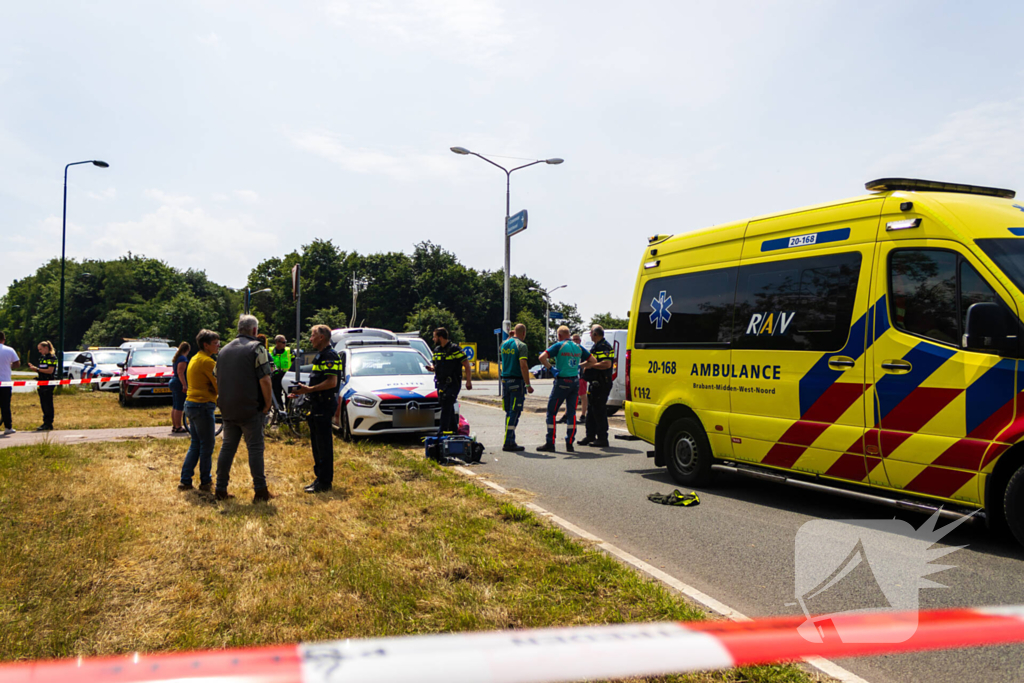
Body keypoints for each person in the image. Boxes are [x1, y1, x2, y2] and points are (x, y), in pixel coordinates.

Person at [214, 315, 275, 503]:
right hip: (250, 408)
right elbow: (265, 379)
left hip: (228, 408)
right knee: (255, 449)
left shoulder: (223, 350)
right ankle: (260, 491)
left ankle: (220, 488)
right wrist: (267, 404)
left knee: (227, 448)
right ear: (255, 331)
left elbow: (217, 376)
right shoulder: (257, 348)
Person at [289, 325, 342, 493]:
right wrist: (302, 393)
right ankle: (319, 478)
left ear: (321, 337)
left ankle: (325, 482)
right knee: (317, 445)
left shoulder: (330, 356)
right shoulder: (320, 356)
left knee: (323, 445)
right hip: (316, 404)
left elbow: (331, 382)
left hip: (324, 405)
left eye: (313, 335)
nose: (310, 338)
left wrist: (308, 390)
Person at [537, 326, 596, 453]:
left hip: (561, 381)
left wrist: (551, 368)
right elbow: (593, 361)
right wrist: (580, 366)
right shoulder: (578, 347)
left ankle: (550, 442)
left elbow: (542, 357)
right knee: (571, 414)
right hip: (575, 382)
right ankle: (570, 443)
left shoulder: (559, 345)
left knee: (551, 413)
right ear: (569, 335)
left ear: (559, 335)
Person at [179, 331, 220, 492]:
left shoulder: (195, 358)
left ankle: (186, 479)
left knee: (196, 444)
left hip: (191, 404)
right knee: (207, 445)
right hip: (203, 405)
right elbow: (218, 384)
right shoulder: (207, 362)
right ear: (206, 345)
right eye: (215, 343)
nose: (218, 345)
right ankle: (205, 481)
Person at [425, 327, 472, 435]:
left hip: (453, 383)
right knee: (447, 405)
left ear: (440, 337)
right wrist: (432, 368)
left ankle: (442, 431)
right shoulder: (437, 351)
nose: (433, 339)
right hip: (441, 383)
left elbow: (467, 365)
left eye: (434, 337)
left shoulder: (455, 349)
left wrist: (468, 381)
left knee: (447, 405)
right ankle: (454, 431)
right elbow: (436, 365)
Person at [499, 323, 534, 452]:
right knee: (515, 412)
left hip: (505, 381)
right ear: (524, 333)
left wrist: (509, 337)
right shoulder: (522, 346)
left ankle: (511, 440)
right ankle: (508, 441)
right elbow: (523, 365)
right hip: (517, 381)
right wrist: (528, 384)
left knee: (509, 412)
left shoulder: (504, 344)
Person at [578, 325, 615, 448]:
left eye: (591, 333)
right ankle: (590, 436)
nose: (589, 335)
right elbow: (590, 361)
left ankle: (602, 438)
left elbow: (607, 364)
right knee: (591, 410)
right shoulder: (596, 346)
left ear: (595, 334)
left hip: (602, 383)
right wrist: (580, 366)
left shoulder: (604, 346)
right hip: (594, 383)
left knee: (599, 410)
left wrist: (590, 366)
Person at [27, 340, 57, 431]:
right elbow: (42, 369)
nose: (39, 351)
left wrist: (37, 369)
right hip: (42, 382)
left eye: (40, 349)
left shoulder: (52, 358)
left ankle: (48, 423)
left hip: (49, 383)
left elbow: (50, 370)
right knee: (43, 404)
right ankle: (45, 422)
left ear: (46, 348)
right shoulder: (42, 358)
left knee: (48, 403)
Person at [558, 333, 588, 425]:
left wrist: (581, 368)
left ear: (580, 341)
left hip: (581, 376)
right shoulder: (571, 349)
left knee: (582, 396)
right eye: (573, 339)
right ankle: (566, 414)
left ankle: (583, 415)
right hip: (572, 376)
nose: (575, 341)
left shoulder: (581, 350)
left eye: (577, 339)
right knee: (569, 396)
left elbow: (589, 360)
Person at [0, 331, 20, 436]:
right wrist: (9, 365)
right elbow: (17, 363)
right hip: (5, 382)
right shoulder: (9, 350)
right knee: (5, 405)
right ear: (4, 339)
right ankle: (8, 427)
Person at [169, 342, 190, 434]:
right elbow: (180, 372)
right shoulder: (183, 359)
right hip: (178, 383)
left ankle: (175, 425)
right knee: (179, 406)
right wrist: (184, 385)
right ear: (187, 350)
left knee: (175, 405)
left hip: (174, 381)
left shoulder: (177, 358)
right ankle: (178, 426)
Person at [269, 334, 293, 408]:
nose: (285, 344)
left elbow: (294, 362)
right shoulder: (270, 351)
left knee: (288, 395)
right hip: (275, 376)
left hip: (287, 376)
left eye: (285, 342)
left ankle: (289, 411)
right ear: (277, 342)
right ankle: (280, 411)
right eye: (283, 342)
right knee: (277, 395)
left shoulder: (289, 351)